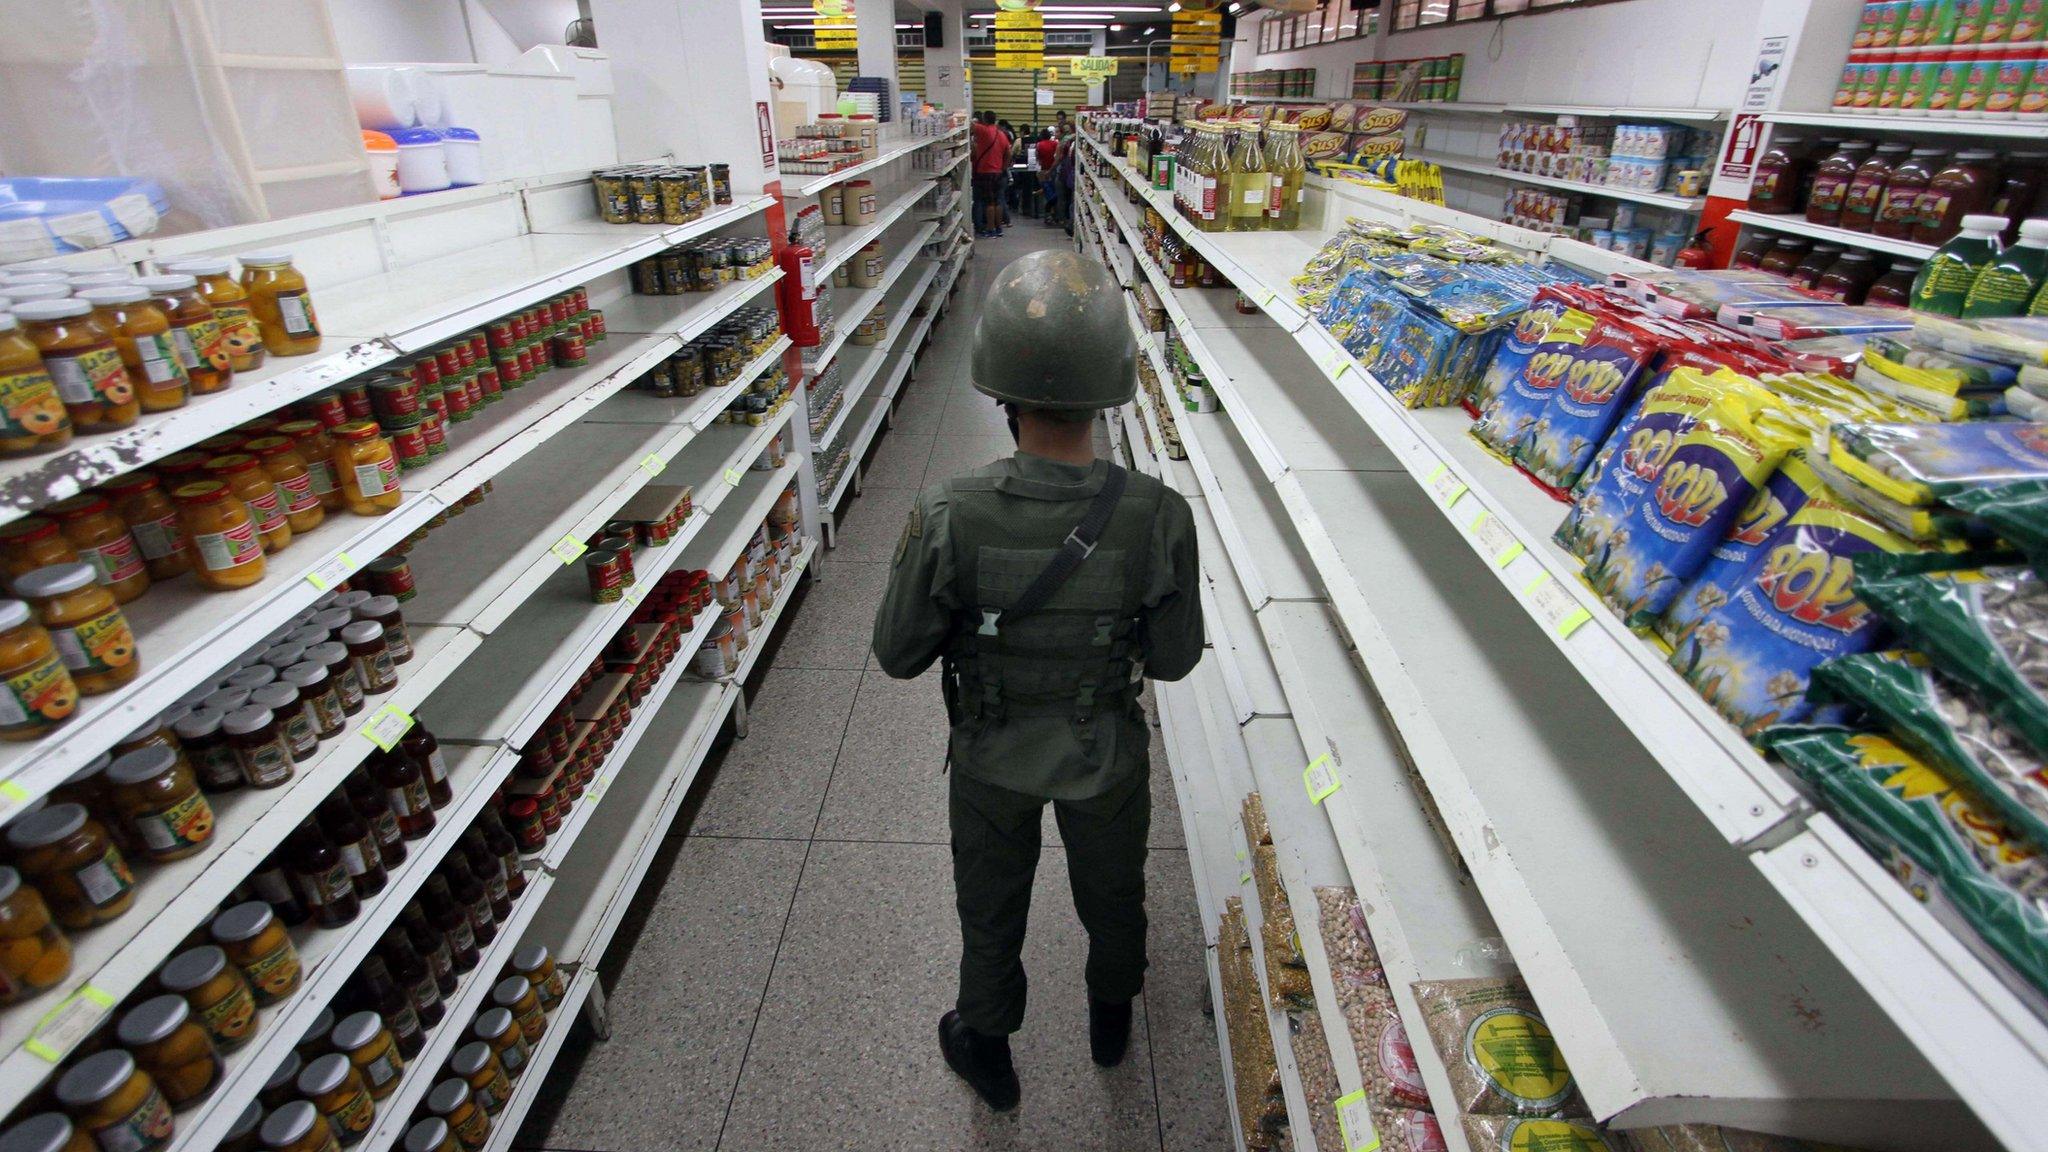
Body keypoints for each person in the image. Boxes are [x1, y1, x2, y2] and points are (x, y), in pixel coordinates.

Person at [871, 250, 1204, 1112]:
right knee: (1114, 890)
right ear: (1111, 388)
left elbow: (898, 653)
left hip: (990, 754)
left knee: (990, 907)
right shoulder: (1159, 515)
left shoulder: (947, 511)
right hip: (1105, 752)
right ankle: (1109, 1018)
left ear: (999, 394)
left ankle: (987, 1045)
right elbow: (1171, 658)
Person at [971, 111, 1007, 238]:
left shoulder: (983, 130)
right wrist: (1003, 167)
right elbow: (1008, 153)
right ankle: (999, 228)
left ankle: (990, 229)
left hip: (985, 172)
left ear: (985, 120)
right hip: (998, 172)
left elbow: (969, 125)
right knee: (997, 202)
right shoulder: (1001, 134)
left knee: (989, 202)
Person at [1034, 130, 1060, 225]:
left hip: (1044, 170)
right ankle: (1055, 214)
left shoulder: (1039, 145)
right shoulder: (1055, 144)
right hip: (1054, 170)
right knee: (1054, 193)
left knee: (1047, 193)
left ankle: (1047, 215)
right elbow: (1057, 156)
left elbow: (1037, 158)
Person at [1018, 127, 1042, 219]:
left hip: (1025, 169)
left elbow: (1014, 152)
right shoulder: (1037, 142)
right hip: (1036, 168)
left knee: (1025, 187)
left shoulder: (1019, 141)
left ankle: (1026, 209)